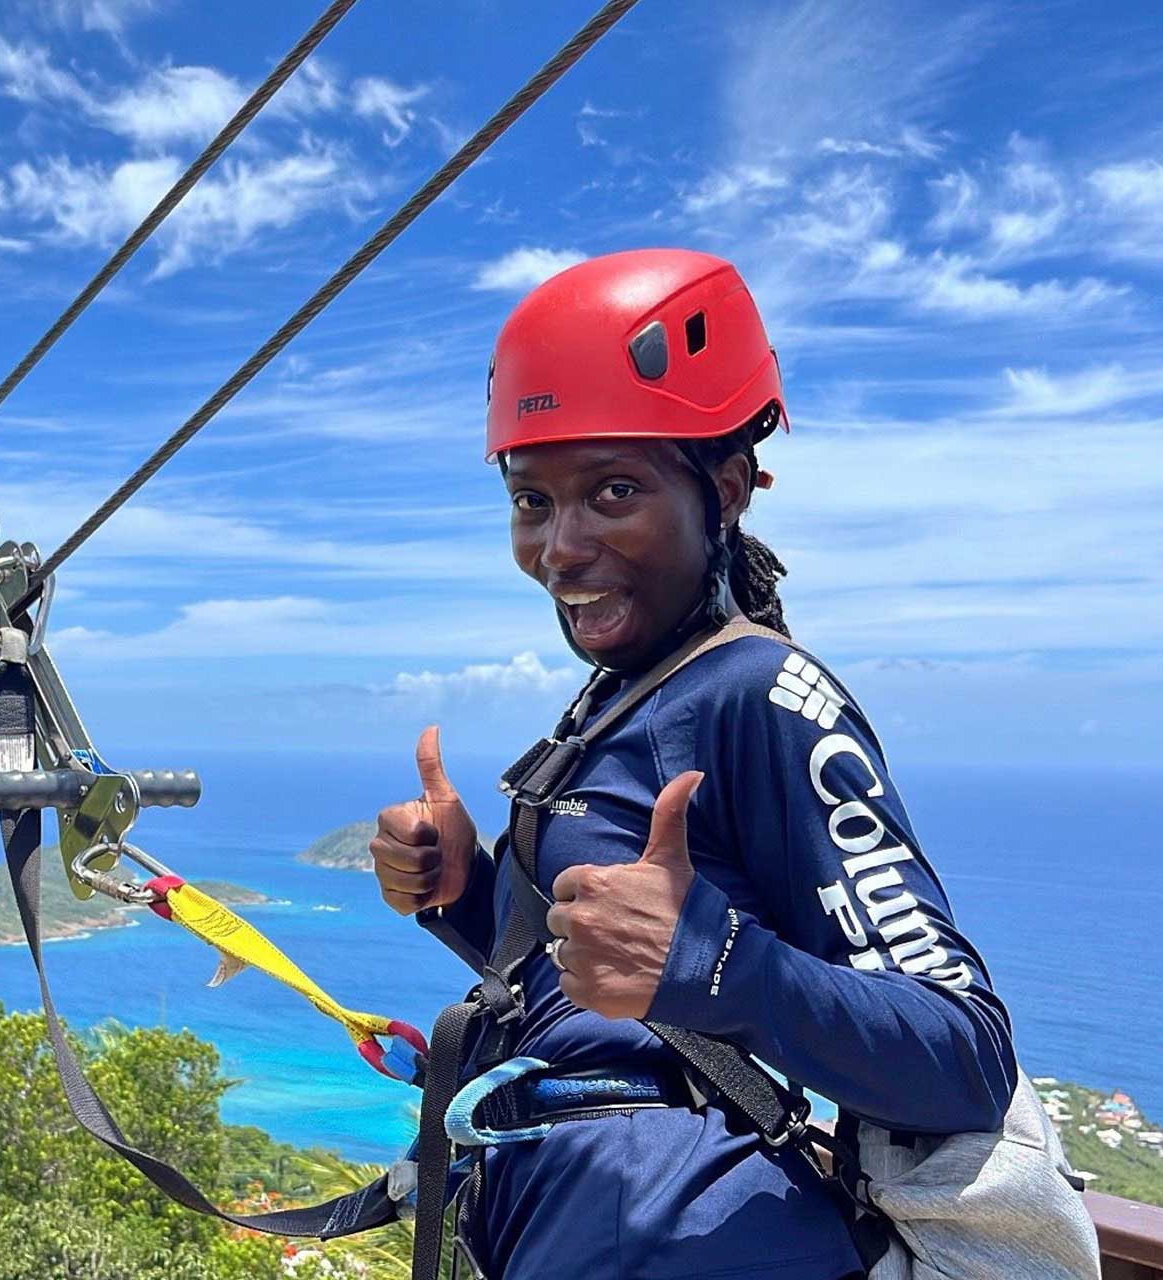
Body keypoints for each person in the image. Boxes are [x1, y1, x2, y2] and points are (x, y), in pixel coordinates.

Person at [369, 249, 1016, 1279]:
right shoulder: (627, 691)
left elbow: (966, 1055)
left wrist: (717, 963)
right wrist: (466, 889)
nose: (561, 545)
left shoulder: (762, 693)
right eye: (532, 500)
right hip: (570, 1219)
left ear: (722, 491)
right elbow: (602, 986)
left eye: (613, 490)